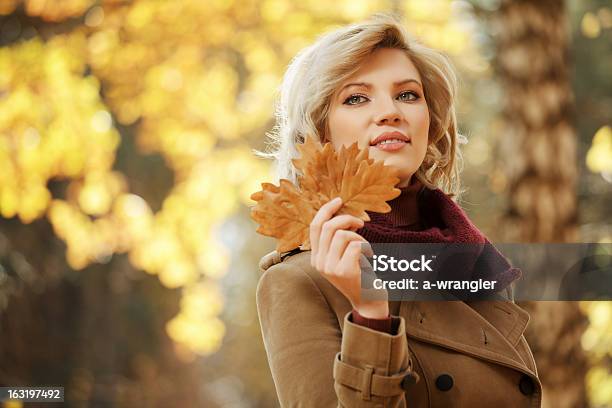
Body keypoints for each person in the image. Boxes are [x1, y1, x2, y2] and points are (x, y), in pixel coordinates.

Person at [254, 13, 541, 407]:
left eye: (407, 95)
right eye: (356, 98)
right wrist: (371, 314)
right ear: (321, 133)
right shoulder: (301, 281)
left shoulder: (476, 265)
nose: (390, 111)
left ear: (431, 123)